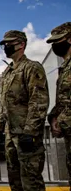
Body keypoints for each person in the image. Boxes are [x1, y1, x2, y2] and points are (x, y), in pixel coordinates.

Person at [0, 30, 49, 191]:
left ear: (21, 44)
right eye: (4, 44)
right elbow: (4, 106)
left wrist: (30, 132)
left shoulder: (32, 68)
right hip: (10, 137)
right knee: (15, 182)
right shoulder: (7, 73)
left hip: (26, 136)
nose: (5, 46)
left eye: (9, 43)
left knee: (31, 182)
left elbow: (38, 101)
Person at [46, 22, 71, 189]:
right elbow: (64, 98)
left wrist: (61, 119)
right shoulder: (64, 67)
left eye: (58, 40)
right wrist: (54, 117)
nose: (55, 45)